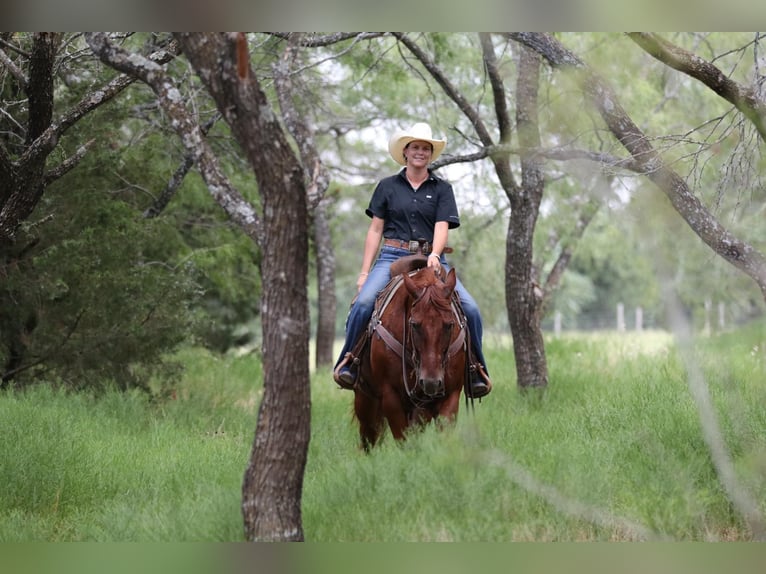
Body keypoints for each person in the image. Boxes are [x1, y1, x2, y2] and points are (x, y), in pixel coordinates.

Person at [333, 122, 492, 398]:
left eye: (425, 148)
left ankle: (474, 370)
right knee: (363, 303)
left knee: (472, 310)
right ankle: (350, 363)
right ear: (405, 152)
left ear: (430, 154)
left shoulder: (442, 189)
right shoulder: (387, 186)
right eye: (415, 147)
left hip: (432, 258)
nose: (420, 152)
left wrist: (434, 254)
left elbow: (442, 226)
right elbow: (375, 230)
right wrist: (363, 273)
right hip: (392, 255)